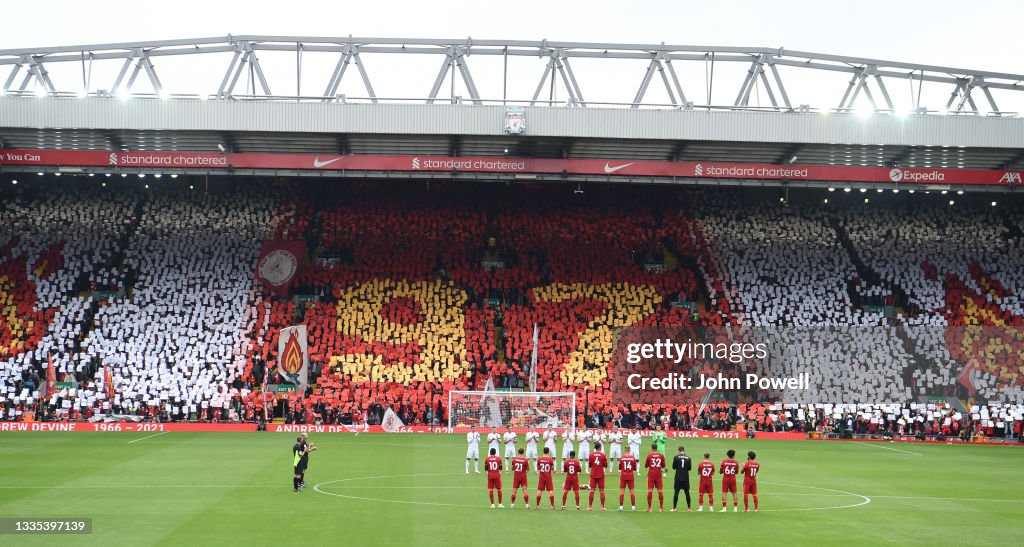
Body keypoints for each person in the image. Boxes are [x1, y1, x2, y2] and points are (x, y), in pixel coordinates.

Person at [644, 442, 666, 512]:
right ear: (657, 448)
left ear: (652, 448)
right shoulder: (661, 455)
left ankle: (649, 508)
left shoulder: (649, 455)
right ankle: (661, 508)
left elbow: (646, 466)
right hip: (658, 474)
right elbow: (663, 466)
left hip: (651, 474)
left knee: (650, 490)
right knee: (660, 490)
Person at [587, 441, 608, 511]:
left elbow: (589, 465)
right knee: (602, 491)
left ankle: (590, 507)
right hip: (601, 474)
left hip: (593, 474)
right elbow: (606, 465)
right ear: (599, 447)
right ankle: (602, 507)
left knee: (592, 490)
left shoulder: (591, 455)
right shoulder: (603, 455)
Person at [671, 445, 692, 512]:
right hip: (685, 478)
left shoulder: (676, 457)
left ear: (679, 451)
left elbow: (673, 467)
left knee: (676, 493)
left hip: (678, 478)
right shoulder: (688, 458)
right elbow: (689, 468)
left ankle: (674, 508)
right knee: (687, 493)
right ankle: (689, 508)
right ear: (684, 450)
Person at [618, 445, 638, 512]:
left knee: (622, 492)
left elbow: (620, 467)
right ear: (630, 450)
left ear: (624, 450)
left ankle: (621, 507)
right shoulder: (632, 458)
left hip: (623, 476)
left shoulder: (621, 458)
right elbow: (635, 468)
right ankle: (633, 508)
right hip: (630, 476)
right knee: (632, 492)